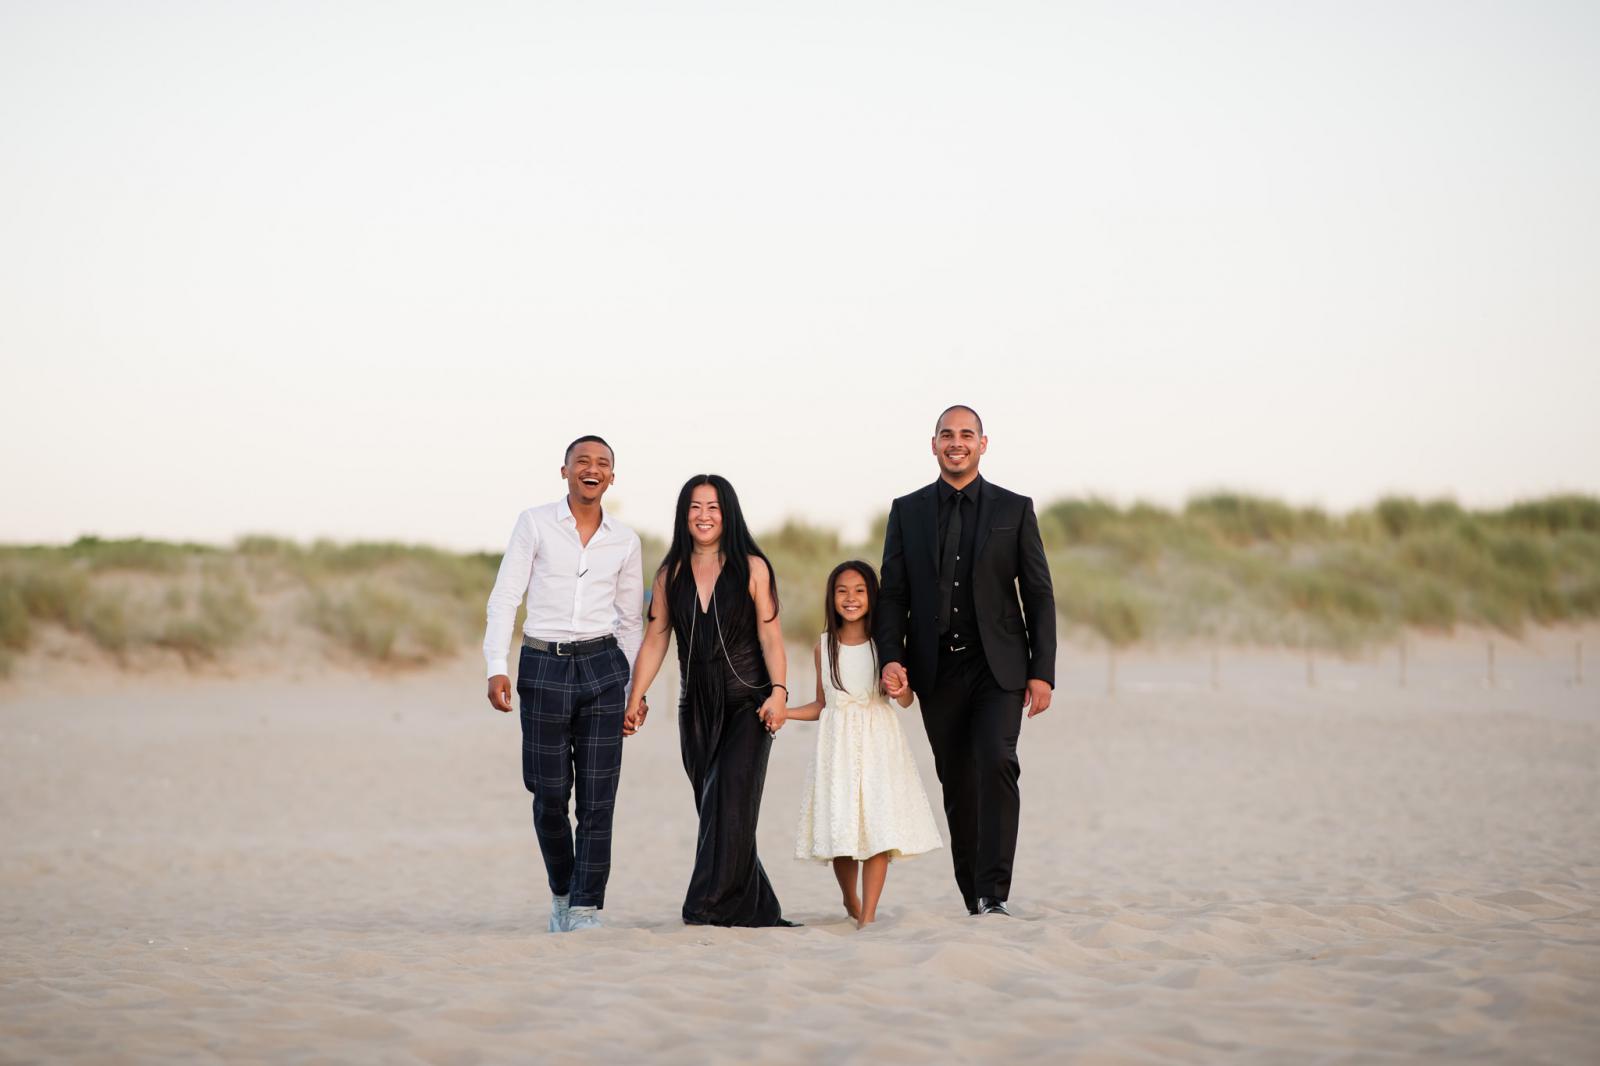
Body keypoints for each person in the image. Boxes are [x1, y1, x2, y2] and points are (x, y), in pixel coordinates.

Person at [874, 405, 1056, 917]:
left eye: (967, 435)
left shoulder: (1014, 509)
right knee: (956, 780)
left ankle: (993, 892)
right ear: (933, 445)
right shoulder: (905, 511)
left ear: (983, 444)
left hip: (998, 668)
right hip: (936, 670)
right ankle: (972, 893)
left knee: (997, 762)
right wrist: (892, 657)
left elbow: (1039, 594)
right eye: (947, 435)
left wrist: (1042, 672)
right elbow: (893, 596)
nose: (957, 442)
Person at [483, 435, 644, 933]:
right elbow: (506, 595)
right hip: (542, 667)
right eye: (582, 462)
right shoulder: (534, 523)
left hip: (603, 668)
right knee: (548, 793)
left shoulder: (626, 540)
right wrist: (496, 664)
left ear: (612, 478)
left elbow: (630, 619)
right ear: (565, 471)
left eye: (602, 464)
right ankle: (562, 890)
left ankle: (584, 908)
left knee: (598, 798)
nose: (591, 470)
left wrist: (635, 691)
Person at [623, 475, 796, 927]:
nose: (704, 516)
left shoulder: (753, 567)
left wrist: (779, 693)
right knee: (718, 809)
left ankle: (704, 906)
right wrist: (635, 696)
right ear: (684, 515)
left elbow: (772, 638)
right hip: (694, 708)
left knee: (730, 801)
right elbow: (656, 639)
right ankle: (758, 907)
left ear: (729, 513)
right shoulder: (670, 574)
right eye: (695, 507)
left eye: (714, 507)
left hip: (749, 703)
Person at [788, 561, 943, 929]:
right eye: (842, 591)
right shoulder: (823, 646)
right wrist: (785, 712)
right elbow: (822, 705)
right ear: (831, 597)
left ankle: (868, 917)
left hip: (879, 745)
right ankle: (850, 898)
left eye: (859, 590)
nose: (851, 598)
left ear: (872, 596)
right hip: (837, 748)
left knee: (878, 828)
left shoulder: (885, 646)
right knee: (842, 830)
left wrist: (901, 689)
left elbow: (905, 701)